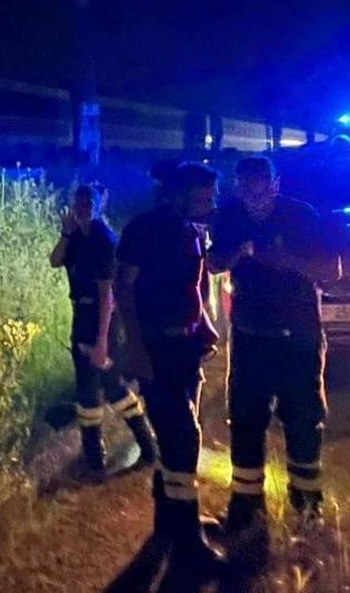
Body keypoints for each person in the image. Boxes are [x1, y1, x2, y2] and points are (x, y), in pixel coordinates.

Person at [208, 155, 341, 538]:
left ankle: (308, 508)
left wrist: (288, 261)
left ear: (275, 184)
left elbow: (331, 272)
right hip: (250, 336)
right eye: (246, 186)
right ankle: (246, 508)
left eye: (261, 185)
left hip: (297, 336)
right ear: (237, 187)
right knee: (246, 421)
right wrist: (238, 254)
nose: (255, 194)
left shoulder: (301, 216)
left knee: (303, 421)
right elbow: (215, 263)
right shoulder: (229, 216)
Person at [115, 162, 226, 577]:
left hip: (185, 347)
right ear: (181, 193)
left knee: (176, 437)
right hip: (157, 348)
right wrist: (136, 351)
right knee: (183, 438)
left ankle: (171, 521)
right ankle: (187, 543)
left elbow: (194, 288)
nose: (211, 200)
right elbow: (124, 289)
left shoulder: (192, 230)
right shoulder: (144, 229)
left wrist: (205, 329)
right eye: (205, 194)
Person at [49, 183, 159, 480]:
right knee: (111, 388)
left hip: (102, 323)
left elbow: (107, 296)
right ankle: (145, 449)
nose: (82, 207)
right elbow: (55, 261)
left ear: (100, 204)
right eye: (78, 202)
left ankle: (97, 460)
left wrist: (100, 342)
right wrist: (66, 232)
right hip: (83, 315)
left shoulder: (102, 240)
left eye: (88, 202)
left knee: (93, 389)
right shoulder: (77, 237)